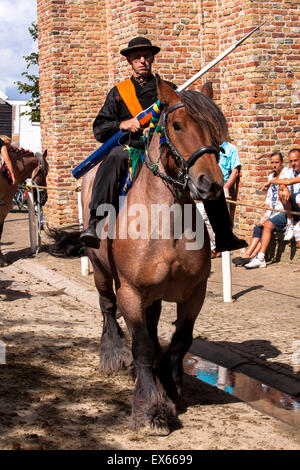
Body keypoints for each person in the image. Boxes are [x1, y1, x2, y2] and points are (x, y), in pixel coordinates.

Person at [80, 36, 247, 254]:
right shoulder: (119, 93)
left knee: (203, 166)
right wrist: (124, 124)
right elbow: (100, 129)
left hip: (164, 149)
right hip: (132, 146)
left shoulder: (169, 90)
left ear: (152, 60)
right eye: (138, 57)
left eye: (147, 57)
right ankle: (96, 222)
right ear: (129, 60)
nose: (143, 61)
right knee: (114, 158)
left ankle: (223, 233)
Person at [245, 149, 300, 269]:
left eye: (296, 160)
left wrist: (271, 182)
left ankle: (291, 224)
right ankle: (260, 258)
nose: (293, 163)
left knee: (297, 230)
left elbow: (288, 181)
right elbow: (281, 186)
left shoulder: (288, 173)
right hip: (291, 210)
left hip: (296, 208)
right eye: (291, 161)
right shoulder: (291, 171)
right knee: (267, 224)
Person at [232, 151, 285, 266]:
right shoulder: (271, 176)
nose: (275, 165)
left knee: (267, 225)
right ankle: (248, 254)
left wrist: (271, 182)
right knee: (258, 226)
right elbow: (269, 198)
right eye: (272, 162)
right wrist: (265, 212)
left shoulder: (287, 173)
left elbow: (286, 184)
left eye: (277, 162)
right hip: (272, 210)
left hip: (282, 210)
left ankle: (255, 256)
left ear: (282, 162)